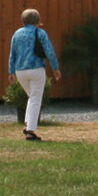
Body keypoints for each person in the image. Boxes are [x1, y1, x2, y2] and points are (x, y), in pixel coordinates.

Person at [7, 9, 60, 141]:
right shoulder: (40, 33)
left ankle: (27, 122)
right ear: (37, 20)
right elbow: (49, 51)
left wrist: (11, 71)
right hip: (36, 68)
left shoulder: (17, 33)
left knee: (32, 97)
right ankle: (30, 130)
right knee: (36, 98)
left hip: (20, 70)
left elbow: (12, 53)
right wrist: (55, 68)